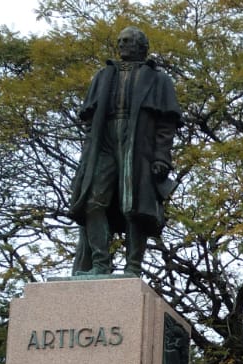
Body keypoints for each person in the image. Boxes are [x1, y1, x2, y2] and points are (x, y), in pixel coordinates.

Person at [68, 26, 183, 276]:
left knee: (134, 205)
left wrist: (162, 157)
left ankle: (133, 266)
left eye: (128, 41)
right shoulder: (103, 75)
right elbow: (88, 119)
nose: (122, 45)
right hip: (104, 143)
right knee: (92, 202)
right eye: (120, 41)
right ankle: (100, 263)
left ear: (143, 46)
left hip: (139, 146)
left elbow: (167, 125)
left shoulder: (158, 79)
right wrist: (88, 152)